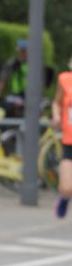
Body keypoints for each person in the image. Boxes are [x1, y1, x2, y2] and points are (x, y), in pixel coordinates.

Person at [0, 38, 54, 116]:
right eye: (20, 51)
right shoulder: (12, 64)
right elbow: (2, 81)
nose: (21, 54)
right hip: (15, 97)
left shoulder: (38, 65)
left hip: (33, 98)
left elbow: (41, 86)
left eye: (24, 51)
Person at [52, 58, 72, 218]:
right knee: (66, 187)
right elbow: (57, 102)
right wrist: (56, 116)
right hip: (69, 140)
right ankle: (64, 198)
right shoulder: (65, 79)